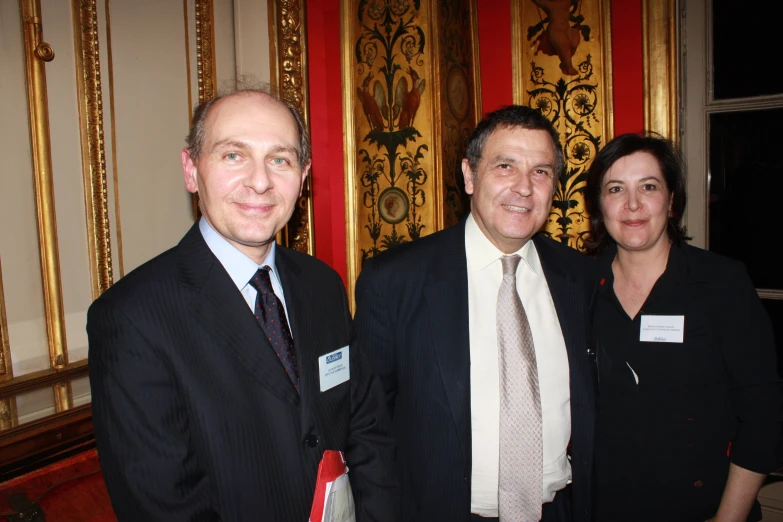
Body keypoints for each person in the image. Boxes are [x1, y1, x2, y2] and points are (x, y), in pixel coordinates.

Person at [88, 89, 397, 521]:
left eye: (280, 159)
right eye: (233, 155)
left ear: (303, 176)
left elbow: (365, 428)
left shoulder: (322, 284)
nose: (260, 181)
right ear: (191, 170)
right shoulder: (131, 317)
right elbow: (165, 505)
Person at [354, 105, 596, 522]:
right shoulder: (395, 280)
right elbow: (367, 423)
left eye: (541, 172)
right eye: (505, 166)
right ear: (469, 175)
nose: (524, 187)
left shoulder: (581, 278)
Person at [584, 133, 783, 522]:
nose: (633, 204)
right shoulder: (580, 287)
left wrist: (729, 518)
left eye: (649, 186)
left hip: (704, 507)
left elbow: (764, 411)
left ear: (671, 200)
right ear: (599, 204)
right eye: (615, 189)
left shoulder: (720, 283)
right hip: (604, 506)